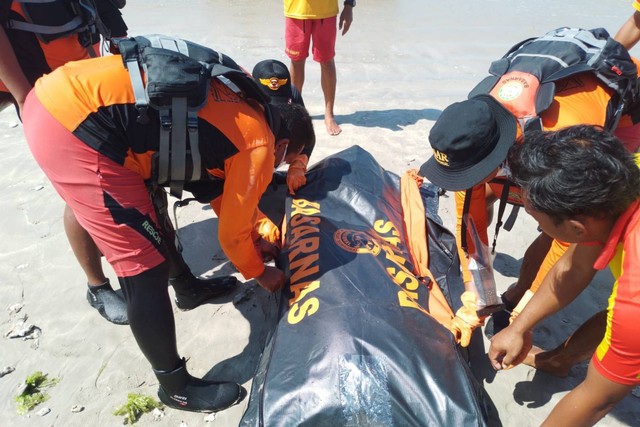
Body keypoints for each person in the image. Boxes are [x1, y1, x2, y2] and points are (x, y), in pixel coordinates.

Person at [21, 40, 315, 412]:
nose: (275, 169)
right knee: (143, 266)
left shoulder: (245, 101)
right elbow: (229, 235)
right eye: (283, 163)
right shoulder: (261, 143)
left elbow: (220, 191)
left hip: (65, 97)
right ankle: (175, 386)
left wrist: (257, 234)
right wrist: (259, 273)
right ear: (282, 143)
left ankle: (188, 289)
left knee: (153, 223)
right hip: (75, 128)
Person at [0, 1, 237, 326]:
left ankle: (182, 281)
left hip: (95, 82)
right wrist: (23, 95)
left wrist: (127, 60)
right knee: (86, 196)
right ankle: (97, 286)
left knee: (146, 181)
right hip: (46, 95)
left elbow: (107, 10)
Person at [419, 28, 640, 349]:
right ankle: (505, 297)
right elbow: (470, 219)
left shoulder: (568, 141)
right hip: (542, 115)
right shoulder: (474, 127)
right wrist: (479, 295)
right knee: (500, 197)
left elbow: (569, 241)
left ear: (497, 155)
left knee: (559, 223)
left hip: (626, 110)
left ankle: (520, 291)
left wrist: (525, 315)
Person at [488, 125, 640, 426]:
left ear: (576, 228)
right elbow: (575, 267)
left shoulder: (634, 301)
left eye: (536, 219)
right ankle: (561, 361)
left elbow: (598, 400)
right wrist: (519, 327)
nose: (537, 224)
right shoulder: (621, 178)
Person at [283, 0, 354, 136]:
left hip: (326, 11)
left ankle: (329, 114)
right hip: (296, 10)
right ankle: (296, 110)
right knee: (296, 60)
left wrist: (349, 5)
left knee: (327, 62)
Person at [252, 58, 314, 194]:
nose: (278, 113)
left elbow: (307, 134)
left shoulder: (294, 96)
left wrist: (298, 163)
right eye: (271, 107)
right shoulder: (242, 100)